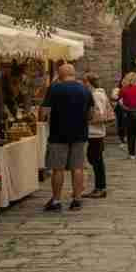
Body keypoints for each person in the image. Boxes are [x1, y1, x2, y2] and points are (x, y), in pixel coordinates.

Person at [38, 63, 94, 212]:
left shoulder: (55, 88)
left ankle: (56, 200)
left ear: (60, 74)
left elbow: (43, 112)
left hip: (58, 134)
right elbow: (91, 114)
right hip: (79, 133)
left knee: (58, 169)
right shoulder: (84, 89)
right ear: (73, 73)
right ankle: (76, 199)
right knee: (78, 168)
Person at [82, 73, 111, 198]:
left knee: (96, 159)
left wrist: (87, 118)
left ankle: (100, 188)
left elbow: (98, 112)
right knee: (95, 159)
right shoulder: (99, 93)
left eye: (84, 82)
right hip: (95, 131)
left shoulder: (96, 95)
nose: (83, 84)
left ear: (88, 82)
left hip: (95, 131)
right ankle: (99, 187)